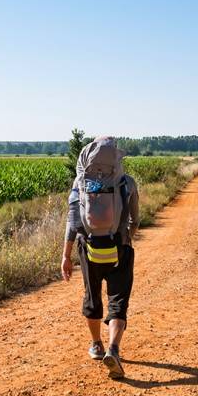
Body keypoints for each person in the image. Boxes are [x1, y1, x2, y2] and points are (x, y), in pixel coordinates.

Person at [61, 136, 139, 378]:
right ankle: (114, 348)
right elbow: (135, 220)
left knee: (92, 297)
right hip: (119, 249)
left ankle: (96, 345)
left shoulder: (80, 182)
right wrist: (127, 237)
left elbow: (72, 222)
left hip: (89, 249)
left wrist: (66, 256)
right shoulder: (127, 182)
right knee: (118, 301)